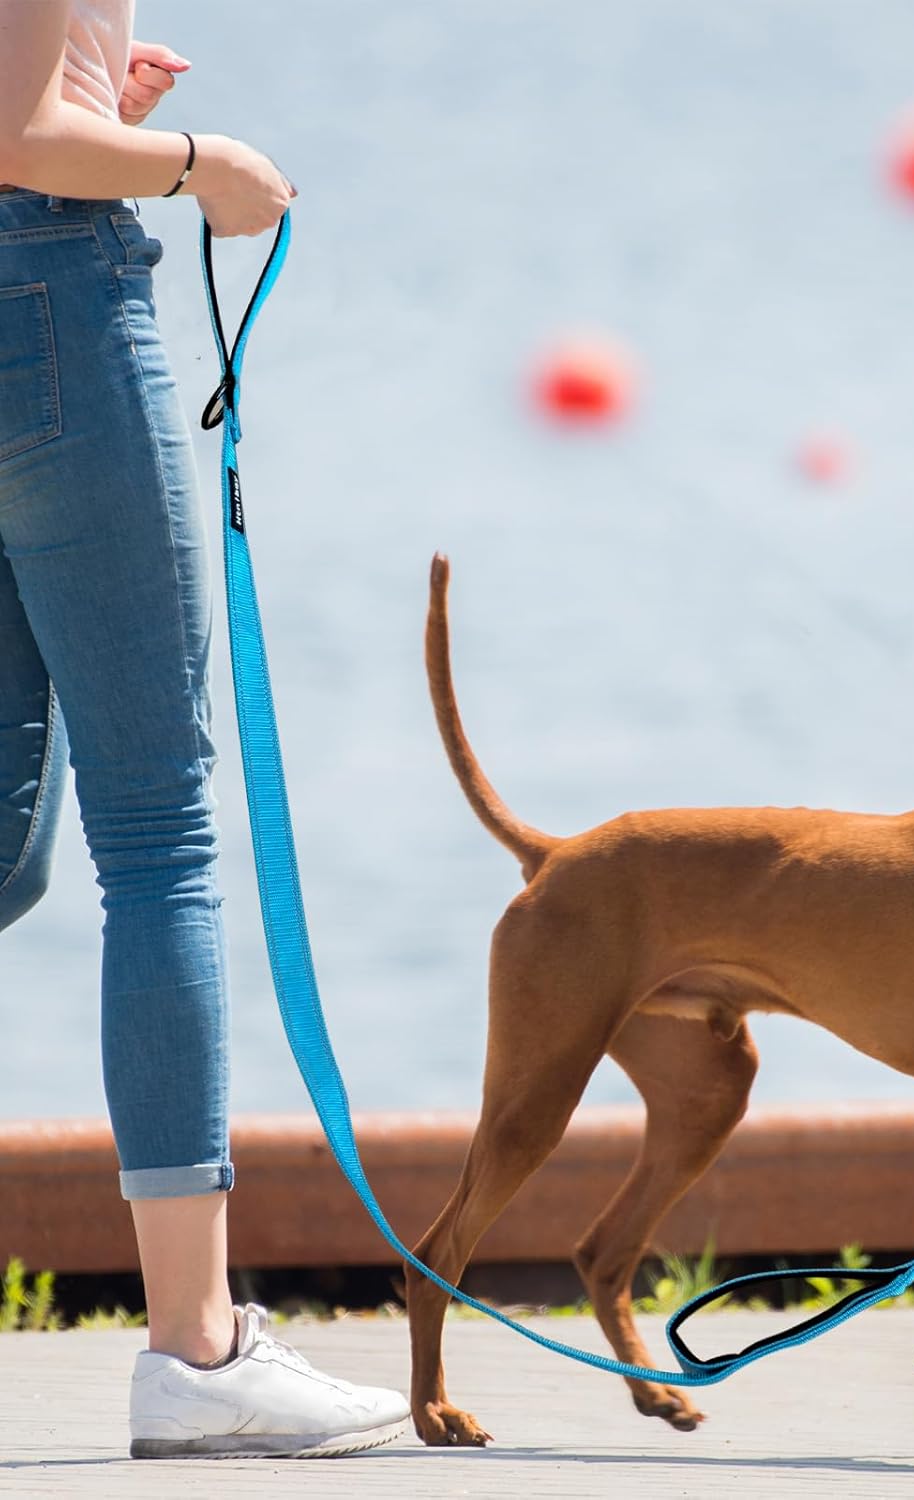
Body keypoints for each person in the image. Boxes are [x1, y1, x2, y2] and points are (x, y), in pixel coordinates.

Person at [0, 1, 410, 1459]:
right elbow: (22, 138)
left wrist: (99, 98)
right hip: (46, 301)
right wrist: (192, 164)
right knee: (157, 833)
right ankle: (197, 1349)